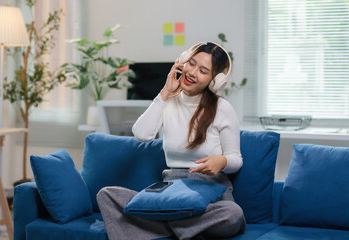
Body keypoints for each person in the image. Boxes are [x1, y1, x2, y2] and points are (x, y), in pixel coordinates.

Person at [97, 41, 246, 240]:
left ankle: (156, 226)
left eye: (203, 70)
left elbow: (235, 158)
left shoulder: (222, 108)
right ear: (182, 62)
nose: (192, 72)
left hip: (211, 193)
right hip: (172, 193)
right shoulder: (167, 102)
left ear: (214, 81)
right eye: (191, 63)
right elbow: (142, 134)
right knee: (106, 195)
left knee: (232, 215)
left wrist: (222, 161)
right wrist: (165, 92)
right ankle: (185, 229)